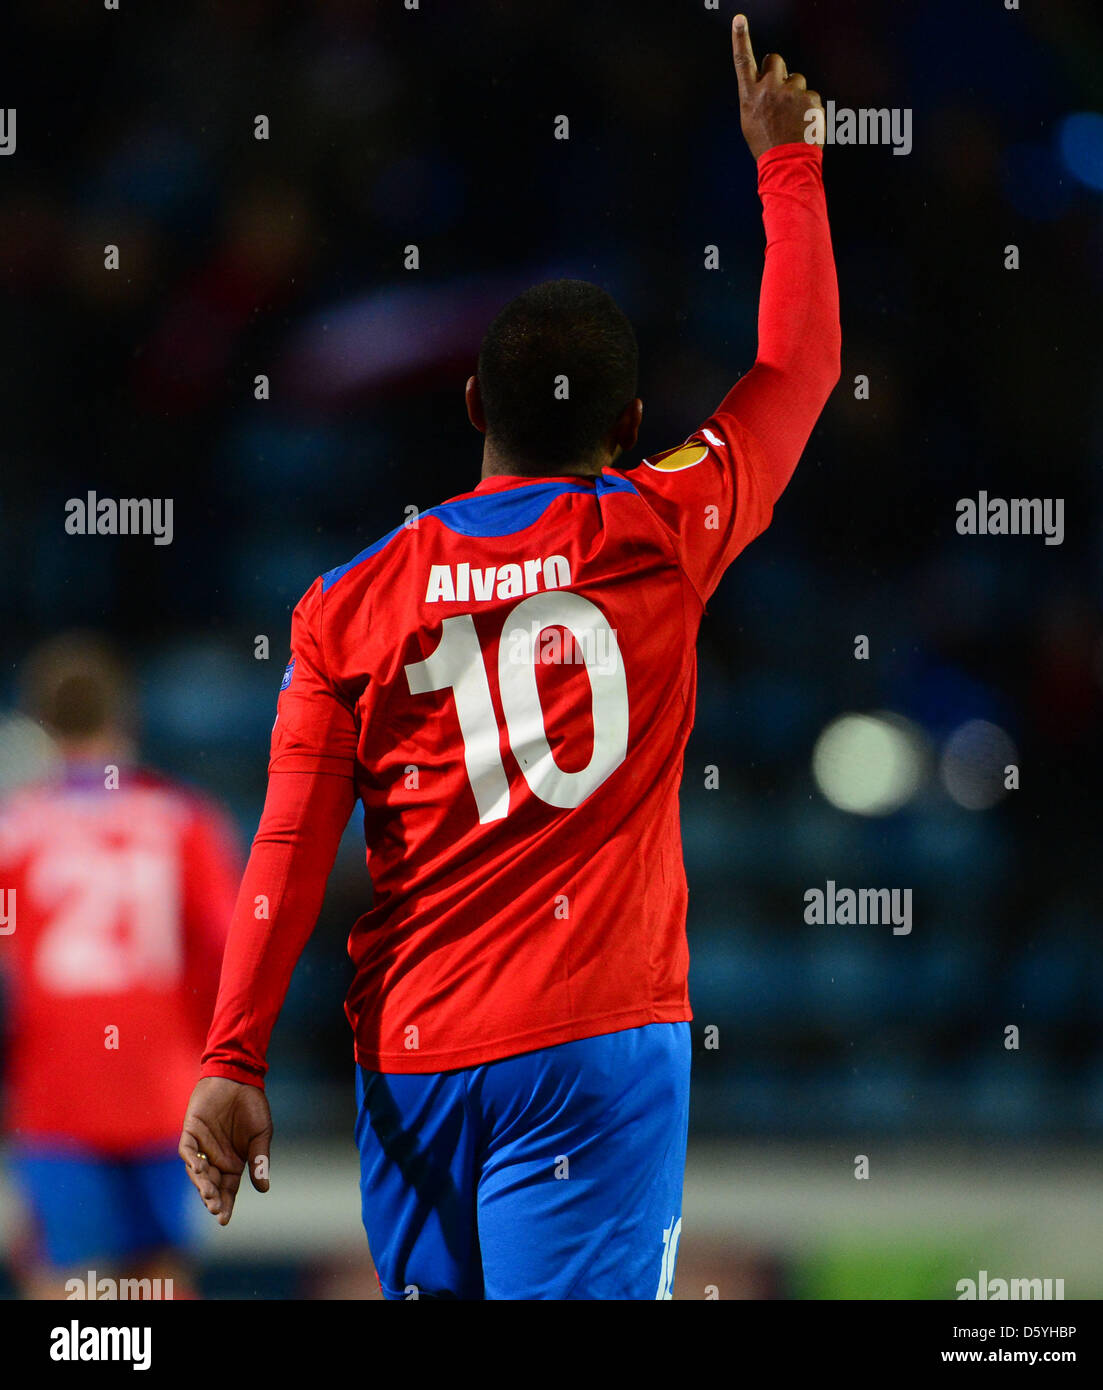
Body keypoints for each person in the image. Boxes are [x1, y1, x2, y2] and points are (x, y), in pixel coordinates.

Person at [181, 17, 839, 1300]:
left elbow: (288, 847)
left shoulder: (346, 603)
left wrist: (233, 1057)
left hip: (419, 1054)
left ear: (474, 407)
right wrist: (788, 165)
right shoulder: (662, 526)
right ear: (631, 425)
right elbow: (800, 366)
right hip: (594, 1046)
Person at [0, 634, 240, 1299]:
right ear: (126, 718)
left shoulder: (15, 829)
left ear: (36, 723)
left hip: (58, 1090)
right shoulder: (185, 820)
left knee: (61, 1281)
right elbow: (231, 950)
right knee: (159, 1278)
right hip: (163, 1087)